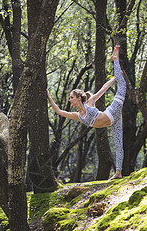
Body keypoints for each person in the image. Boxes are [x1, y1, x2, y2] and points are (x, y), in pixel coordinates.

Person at [47, 46, 126, 180]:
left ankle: (115, 59)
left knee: (122, 85)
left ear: (78, 98)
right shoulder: (77, 116)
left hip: (112, 112)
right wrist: (48, 97)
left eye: (71, 97)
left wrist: (114, 78)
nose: (70, 100)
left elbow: (104, 88)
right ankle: (118, 173)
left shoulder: (89, 102)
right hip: (114, 121)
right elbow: (59, 111)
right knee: (119, 145)